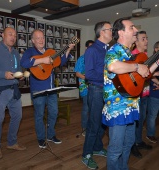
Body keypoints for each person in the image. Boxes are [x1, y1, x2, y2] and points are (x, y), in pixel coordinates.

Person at [102, 17, 159, 170]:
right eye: (131, 28)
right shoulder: (113, 50)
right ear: (121, 32)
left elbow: (145, 74)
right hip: (117, 108)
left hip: (131, 106)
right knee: (115, 149)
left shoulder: (129, 55)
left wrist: (156, 63)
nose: (135, 30)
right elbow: (113, 66)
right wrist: (136, 67)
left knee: (128, 144)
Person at [20, 29, 75, 148]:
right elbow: (24, 63)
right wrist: (42, 60)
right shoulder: (30, 51)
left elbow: (60, 62)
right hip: (38, 90)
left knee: (54, 112)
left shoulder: (50, 52)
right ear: (33, 40)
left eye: (42, 37)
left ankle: (51, 135)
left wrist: (69, 49)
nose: (41, 40)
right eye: (38, 38)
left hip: (51, 89)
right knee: (39, 115)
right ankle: (41, 138)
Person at [0, 27, 26, 159]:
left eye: (15, 35)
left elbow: (17, 69)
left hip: (14, 89)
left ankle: (12, 142)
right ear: (2, 35)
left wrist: (20, 75)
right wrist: (2, 74)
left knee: (18, 116)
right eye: (10, 34)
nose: (13, 37)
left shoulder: (16, 53)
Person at [82, 21, 112, 169]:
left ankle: (97, 147)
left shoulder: (108, 49)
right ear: (102, 32)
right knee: (94, 124)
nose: (112, 31)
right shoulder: (92, 50)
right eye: (110, 29)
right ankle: (86, 155)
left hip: (106, 91)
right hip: (96, 90)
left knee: (103, 123)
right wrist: (109, 75)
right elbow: (89, 74)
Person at [131, 31, 152, 158]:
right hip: (136, 95)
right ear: (136, 41)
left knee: (141, 120)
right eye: (143, 39)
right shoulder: (133, 56)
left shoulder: (145, 55)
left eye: (146, 38)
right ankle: (132, 145)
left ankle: (138, 141)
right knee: (135, 121)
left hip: (145, 93)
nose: (146, 41)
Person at [74, 40, 94, 136]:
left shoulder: (95, 59)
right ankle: (84, 128)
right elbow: (77, 73)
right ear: (86, 48)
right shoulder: (81, 59)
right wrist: (87, 78)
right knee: (86, 108)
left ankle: (92, 127)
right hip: (84, 87)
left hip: (94, 87)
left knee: (94, 108)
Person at [146, 41, 159, 143]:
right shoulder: (151, 60)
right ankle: (150, 134)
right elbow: (149, 75)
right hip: (155, 93)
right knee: (152, 115)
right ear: (156, 49)